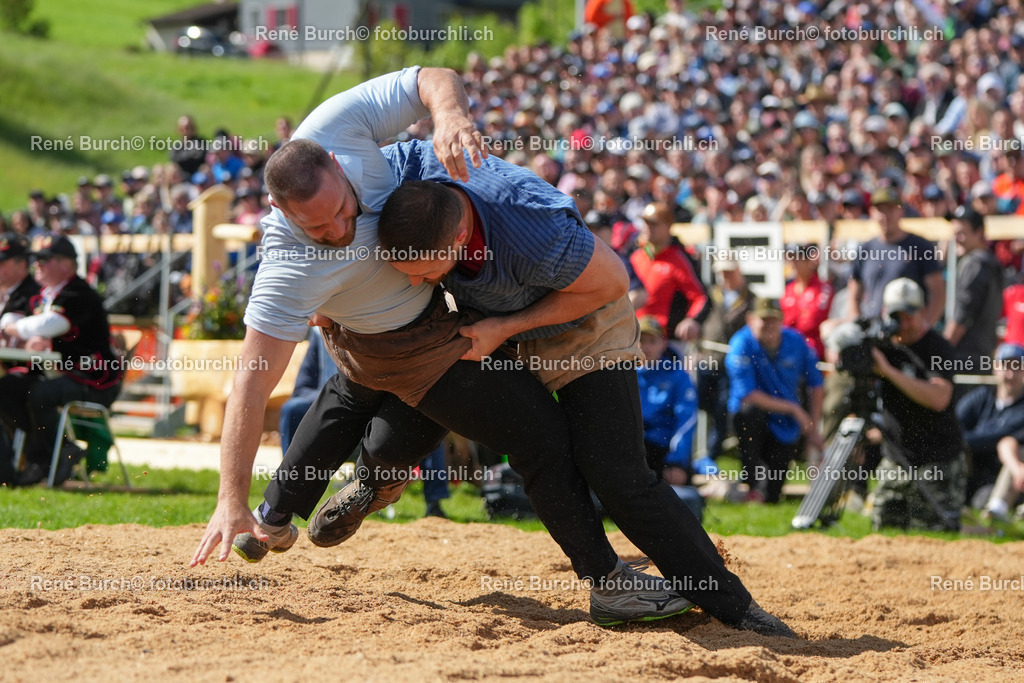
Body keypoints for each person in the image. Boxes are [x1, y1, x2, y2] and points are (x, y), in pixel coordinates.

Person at [189, 68, 715, 630]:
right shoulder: (286, 267)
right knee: (540, 436)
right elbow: (250, 379)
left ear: (337, 165)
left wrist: (452, 117)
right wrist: (227, 497)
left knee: (347, 404)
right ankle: (607, 583)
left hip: (398, 328)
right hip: (413, 343)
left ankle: (281, 516)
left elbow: (432, 78)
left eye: (344, 207)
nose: (345, 228)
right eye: (320, 229)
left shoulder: (332, 127)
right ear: (280, 210)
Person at [375, 169, 791, 635]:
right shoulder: (401, 171)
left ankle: (734, 606)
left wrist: (503, 329)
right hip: (501, 334)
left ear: (457, 235)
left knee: (619, 477)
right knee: (528, 443)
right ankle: (370, 479)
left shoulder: (532, 224)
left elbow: (612, 282)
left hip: (584, 325)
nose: (416, 282)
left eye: (424, 269)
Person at [0, 235, 124, 486]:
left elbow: (47, 324)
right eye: (37, 260)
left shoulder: (78, 292)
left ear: (67, 265)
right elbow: (20, 321)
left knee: (40, 393)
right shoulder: (49, 295)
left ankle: (47, 459)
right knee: (8, 389)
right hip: (65, 374)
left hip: (95, 379)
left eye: (45, 260)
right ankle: (55, 452)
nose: (38, 265)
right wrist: (21, 331)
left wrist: (14, 330)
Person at [869, 278, 967, 531]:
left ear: (923, 312)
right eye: (896, 316)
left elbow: (939, 398)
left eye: (909, 315)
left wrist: (888, 371)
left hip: (936, 460)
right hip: (896, 457)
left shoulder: (938, 347)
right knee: (884, 533)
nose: (903, 323)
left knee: (932, 534)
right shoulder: (882, 345)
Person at [725, 298, 824, 504]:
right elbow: (748, 395)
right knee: (749, 413)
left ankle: (763, 493)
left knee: (773, 495)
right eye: (764, 320)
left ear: (782, 321)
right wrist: (795, 410)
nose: (769, 325)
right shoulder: (740, 343)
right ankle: (752, 485)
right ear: (751, 320)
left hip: (785, 423)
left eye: (774, 320)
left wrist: (813, 427)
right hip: (754, 418)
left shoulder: (797, 342)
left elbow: (816, 383)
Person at [697, 258, 752, 466]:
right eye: (722, 272)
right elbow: (698, 319)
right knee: (701, 405)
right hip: (706, 362)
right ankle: (700, 455)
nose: (726, 277)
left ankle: (712, 454)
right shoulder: (710, 295)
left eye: (730, 272)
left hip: (731, 367)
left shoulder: (751, 299)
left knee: (722, 409)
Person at [955, 343, 1024, 508]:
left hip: (1007, 476)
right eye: (1006, 367)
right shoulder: (982, 396)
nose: (1010, 374)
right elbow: (954, 425)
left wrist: (964, 440)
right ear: (995, 368)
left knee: (1009, 445)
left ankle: (998, 507)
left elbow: (999, 437)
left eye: (1017, 368)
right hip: (972, 469)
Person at [943, 206, 1002, 401]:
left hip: (966, 355)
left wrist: (941, 348)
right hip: (982, 353)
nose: (956, 238)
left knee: (961, 416)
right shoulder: (991, 263)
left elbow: (963, 314)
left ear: (979, 233)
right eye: (954, 233)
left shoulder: (974, 264)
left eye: (962, 233)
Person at [630, 201, 710, 342]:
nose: (648, 228)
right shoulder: (635, 256)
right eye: (645, 223)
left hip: (665, 341)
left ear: (668, 226)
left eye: (653, 223)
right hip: (632, 337)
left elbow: (701, 297)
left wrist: (692, 320)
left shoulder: (680, 258)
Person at [636, 316, 700, 485]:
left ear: (663, 344)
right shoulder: (623, 374)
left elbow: (687, 419)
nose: (646, 347)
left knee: (676, 482)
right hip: (630, 447)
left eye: (652, 341)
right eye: (641, 340)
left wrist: (676, 460)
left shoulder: (678, 376)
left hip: (663, 449)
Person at [278, 329, 338, 456]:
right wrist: (330, 399)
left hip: (367, 407)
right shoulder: (319, 334)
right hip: (327, 405)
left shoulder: (375, 328)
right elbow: (301, 388)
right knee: (293, 409)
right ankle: (292, 474)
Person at [781, 244, 833, 360]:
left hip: (814, 351)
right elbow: (784, 322)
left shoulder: (823, 288)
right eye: (791, 258)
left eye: (798, 258)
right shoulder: (789, 289)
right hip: (789, 350)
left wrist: (793, 318)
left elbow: (811, 321)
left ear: (808, 261)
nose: (793, 263)